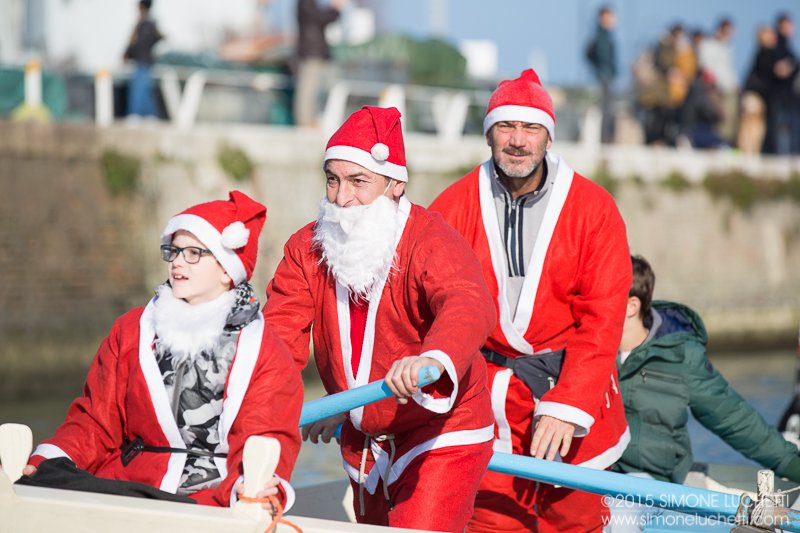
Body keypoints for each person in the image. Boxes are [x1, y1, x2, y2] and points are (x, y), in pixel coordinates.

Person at [263, 105, 496, 531]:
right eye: (332, 180)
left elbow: (467, 301)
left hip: (442, 425)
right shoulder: (305, 246)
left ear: (395, 184)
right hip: (364, 432)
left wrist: (433, 359)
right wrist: (271, 402)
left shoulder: (431, 238)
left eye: (358, 181)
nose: (341, 197)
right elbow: (278, 336)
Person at [429, 68, 632, 533]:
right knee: (491, 520)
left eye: (531, 128)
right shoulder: (452, 205)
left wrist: (570, 402)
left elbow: (603, 317)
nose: (518, 140)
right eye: (506, 126)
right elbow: (423, 310)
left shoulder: (594, 208)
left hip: (570, 386)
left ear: (548, 136)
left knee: (577, 521)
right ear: (488, 133)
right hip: (486, 393)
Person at [22, 191, 303, 509]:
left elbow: (268, 436)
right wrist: (48, 461)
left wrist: (256, 491)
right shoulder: (131, 330)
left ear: (227, 270)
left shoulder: (263, 350)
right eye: (174, 250)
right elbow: (94, 422)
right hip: (127, 487)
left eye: (194, 253)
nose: (178, 262)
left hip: (214, 499)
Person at [609, 255, 800, 530]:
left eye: (602, 291)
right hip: (591, 470)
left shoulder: (679, 356)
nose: (590, 300)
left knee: (617, 521)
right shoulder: (585, 348)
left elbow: (734, 418)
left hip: (647, 480)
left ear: (631, 306)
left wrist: (791, 463)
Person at [294, 0, 345, 127]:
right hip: (311, 52)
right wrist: (335, 9)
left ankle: (309, 120)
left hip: (313, 51)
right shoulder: (305, 3)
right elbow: (321, 18)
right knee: (308, 89)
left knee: (313, 89)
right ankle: (305, 122)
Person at [697, 18, 739, 144]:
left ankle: (724, 144)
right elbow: (706, 67)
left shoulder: (727, 48)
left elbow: (727, 69)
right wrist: (714, 84)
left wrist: (734, 83)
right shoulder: (708, 45)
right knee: (718, 116)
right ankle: (715, 143)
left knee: (730, 119)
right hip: (714, 88)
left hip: (729, 88)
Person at [124, 0, 163, 118]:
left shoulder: (148, 24)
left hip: (144, 61)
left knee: (141, 89)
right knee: (142, 89)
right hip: (141, 61)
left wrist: (128, 52)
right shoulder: (142, 24)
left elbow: (138, 43)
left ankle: (140, 114)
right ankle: (145, 114)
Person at [586, 5, 618, 144]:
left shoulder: (603, 35)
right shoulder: (601, 36)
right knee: (606, 110)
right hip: (604, 76)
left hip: (606, 75)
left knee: (607, 109)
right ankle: (605, 140)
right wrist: (602, 70)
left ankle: (605, 139)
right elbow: (596, 55)